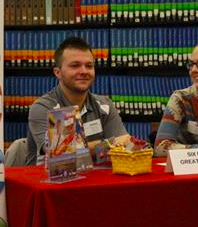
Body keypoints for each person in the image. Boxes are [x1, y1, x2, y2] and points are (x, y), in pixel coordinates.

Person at [25, 36, 129, 165]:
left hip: (94, 179)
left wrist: (108, 144)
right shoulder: (43, 108)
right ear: (57, 72)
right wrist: (108, 143)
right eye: (75, 66)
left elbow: (124, 143)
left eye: (89, 66)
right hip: (49, 182)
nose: (84, 71)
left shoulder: (105, 105)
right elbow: (61, 154)